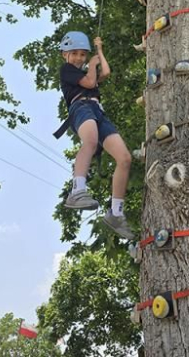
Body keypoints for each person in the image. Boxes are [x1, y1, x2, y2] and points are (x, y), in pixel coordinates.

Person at [56, 31, 135, 240]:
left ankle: (116, 212)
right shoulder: (68, 71)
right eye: (75, 54)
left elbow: (105, 72)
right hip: (80, 108)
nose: (79, 58)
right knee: (90, 141)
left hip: (98, 112)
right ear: (65, 54)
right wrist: (92, 64)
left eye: (83, 54)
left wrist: (99, 50)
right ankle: (77, 191)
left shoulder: (85, 73)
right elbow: (91, 83)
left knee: (125, 158)